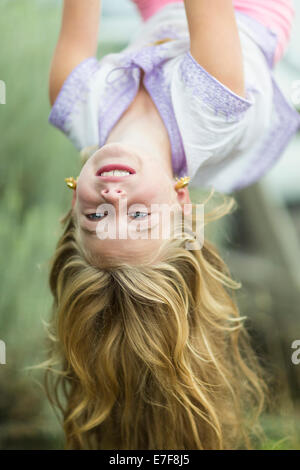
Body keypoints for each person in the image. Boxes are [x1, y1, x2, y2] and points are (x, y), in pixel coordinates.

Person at [42, 0, 298, 449]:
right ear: (182, 205)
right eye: (139, 218)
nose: (113, 198)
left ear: (71, 208)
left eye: (96, 217)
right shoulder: (209, 104)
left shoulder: (75, 105)